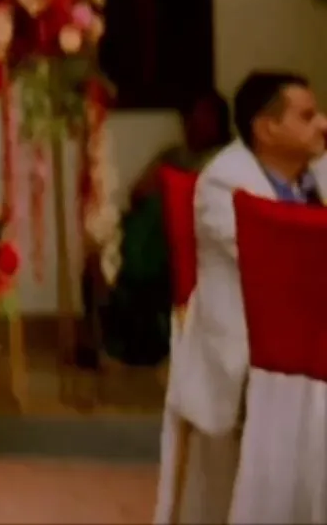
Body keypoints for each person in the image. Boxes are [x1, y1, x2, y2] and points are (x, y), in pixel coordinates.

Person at [155, 71, 327, 524]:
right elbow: (285, 266)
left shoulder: (320, 171)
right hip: (248, 342)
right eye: (308, 116)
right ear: (267, 128)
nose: (323, 124)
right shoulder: (225, 183)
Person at [98, 90, 231, 367]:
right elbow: (138, 192)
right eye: (192, 118)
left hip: (194, 235)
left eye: (206, 118)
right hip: (157, 231)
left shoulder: (225, 158)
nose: (197, 124)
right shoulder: (173, 154)